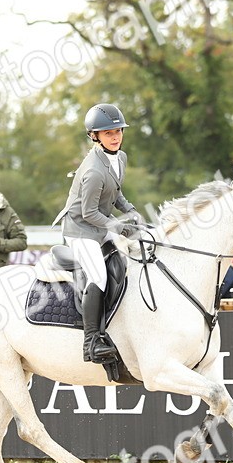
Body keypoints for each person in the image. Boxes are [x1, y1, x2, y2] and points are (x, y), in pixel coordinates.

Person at [52, 103, 144, 364]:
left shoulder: (120, 158)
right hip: (80, 229)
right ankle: (91, 340)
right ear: (95, 136)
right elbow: (89, 212)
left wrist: (132, 212)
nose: (115, 137)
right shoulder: (93, 170)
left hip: (99, 223)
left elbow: (116, 193)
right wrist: (119, 226)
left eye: (118, 131)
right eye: (108, 134)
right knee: (99, 275)